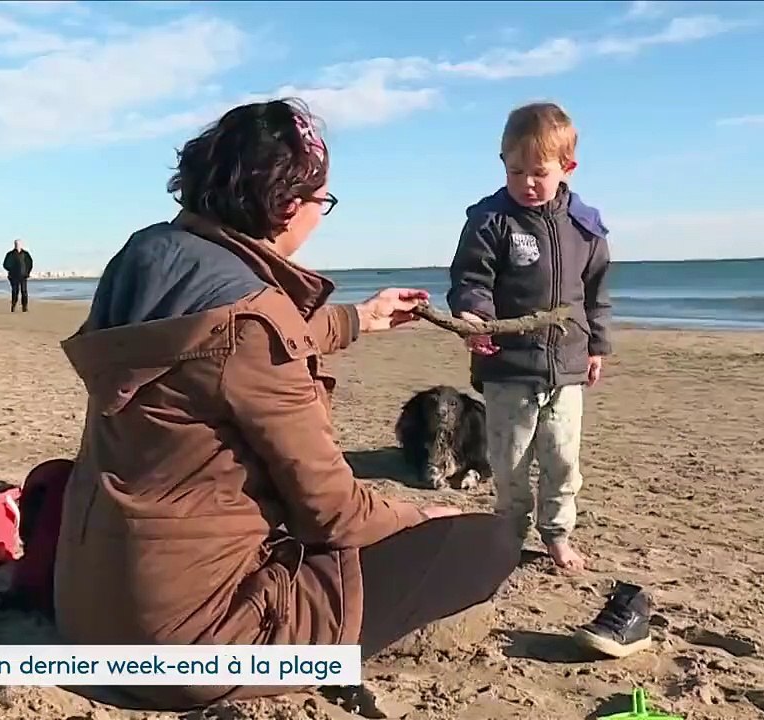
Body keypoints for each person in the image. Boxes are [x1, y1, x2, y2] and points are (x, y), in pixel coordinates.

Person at [46, 98, 521, 710]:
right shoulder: (253, 323)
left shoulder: (147, 257)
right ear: (288, 203)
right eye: (323, 200)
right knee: (489, 542)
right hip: (190, 650)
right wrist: (420, 517)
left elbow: (227, 348)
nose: (321, 215)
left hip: (88, 617)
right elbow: (334, 512)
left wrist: (359, 319)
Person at [446, 102, 613, 574]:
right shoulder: (491, 219)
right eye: (515, 171)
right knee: (510, 462)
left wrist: (596, 346)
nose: (527, 183)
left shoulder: (585, 226)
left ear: (567, 168)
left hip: (567, 367)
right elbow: (470, 280)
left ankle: (557, 534)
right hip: (508, 368)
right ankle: (509, 534)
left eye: (539, 172)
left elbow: (596, 293)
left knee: (562, 461)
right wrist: (475, 318)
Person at [2, 239, 33, 312]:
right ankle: (13, 305)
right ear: (14, 245)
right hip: (13, 277)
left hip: (23, 276)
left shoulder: (25, 254)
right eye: (16, 244)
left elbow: (30, 263)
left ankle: (25, 307)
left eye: (18, 244)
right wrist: (11, 269)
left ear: (21, 245)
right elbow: (5, 264)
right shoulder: (10, 254)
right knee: (15, 292)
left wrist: (27, 272)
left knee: (24, 292)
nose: (17, 245)